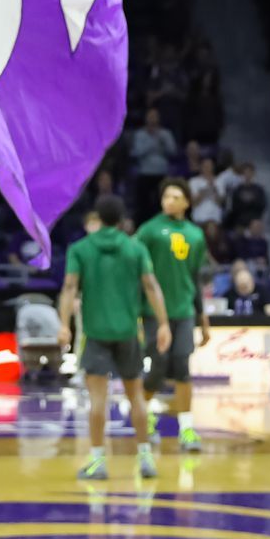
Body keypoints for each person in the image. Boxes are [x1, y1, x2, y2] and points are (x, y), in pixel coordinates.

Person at [58, 195, 170, 480]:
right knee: (136, 397)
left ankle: (98, 461)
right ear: (122, 221)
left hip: (96, 333)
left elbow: (70, 288)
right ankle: (146, 458)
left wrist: (64, 325)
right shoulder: (135, 248)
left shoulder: (80, 249)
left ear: (98, 218)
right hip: (128, 332)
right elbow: (152, 285)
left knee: (97, 399)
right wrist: (164, 323)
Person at [133, 178, 210, 453]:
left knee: (182, 366)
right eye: (166, 196)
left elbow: (195, 277)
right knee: (157, 367)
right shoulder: (149, 231)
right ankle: (145, 418)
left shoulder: (196, 235)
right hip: (154, 313)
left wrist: (202, 316)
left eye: (176, 197)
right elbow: (134, 269)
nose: (169, 201)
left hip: (184, 311)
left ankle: (187, 429)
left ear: (187, 202)